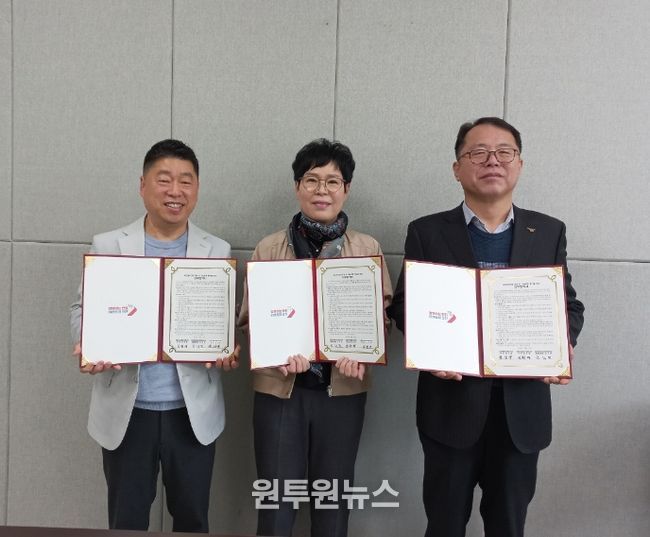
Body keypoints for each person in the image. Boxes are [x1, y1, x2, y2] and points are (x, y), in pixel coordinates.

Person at [388, 117, 585, 537]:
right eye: (478, 152)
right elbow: (405, 305)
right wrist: (428, 349)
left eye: (504, 152)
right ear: (457, 168)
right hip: (449, 410)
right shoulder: (426, 231)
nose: (492, 160)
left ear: (519, 164)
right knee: (444, 525)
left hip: (521, 413)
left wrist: (562, 344)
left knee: (509, 526)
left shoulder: (548, 231)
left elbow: (567, 306)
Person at [70, 139, 238, 533]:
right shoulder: (109, 244)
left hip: (191, 413)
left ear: (197, 188)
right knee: (126, 522)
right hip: (128, 413)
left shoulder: (217, 249)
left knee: (193, 520)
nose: (175, 191)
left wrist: (227, 349)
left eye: (186, 181)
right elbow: (82, 308)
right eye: (164, 179)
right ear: (142, 185)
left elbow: (223, 319)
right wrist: (88, 346)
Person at [238, 139, 393, 537]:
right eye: (311, 180)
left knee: (333, 504)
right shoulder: (269, 248)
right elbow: (251, 319)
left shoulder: (367, 249)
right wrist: (274, 351)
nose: (322, 190)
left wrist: (364, 354)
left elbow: (381, 320)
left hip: (341, 393)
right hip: (279, 394)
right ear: (297, 187)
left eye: (332, 181)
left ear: (346, 189)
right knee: (276, 504)